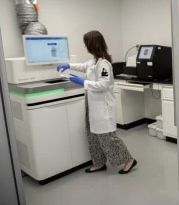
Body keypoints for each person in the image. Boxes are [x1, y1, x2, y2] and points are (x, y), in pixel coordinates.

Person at [57, 30, 137, 174]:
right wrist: (68, 65)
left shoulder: (104, 64)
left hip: (102, 106)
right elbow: (83, 66)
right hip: (92, 104)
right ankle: (99, 163)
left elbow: (104, 84)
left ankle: (129, 160)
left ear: (91, 44)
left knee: (107, 137)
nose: (84, 46)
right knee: (92, 134)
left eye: (85, 43)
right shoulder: (94, 61)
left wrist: (83, 82)